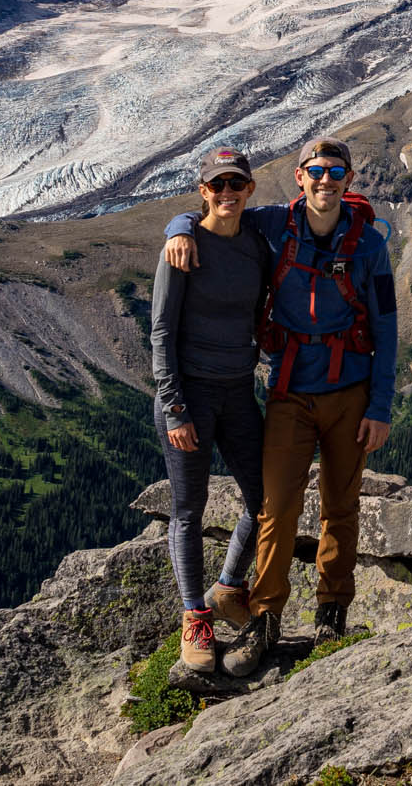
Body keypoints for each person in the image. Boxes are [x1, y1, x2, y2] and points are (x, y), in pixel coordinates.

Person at [164, 135, 397, 664]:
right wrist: (177, 226)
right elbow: (216, 208)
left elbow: (387, 323)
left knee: (341, 505)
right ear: (300, 177)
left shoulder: (368, 243)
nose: (325, 181)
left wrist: (380, 406)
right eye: (316, 171)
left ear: (349, 181)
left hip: (351, 391)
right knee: (277, 506)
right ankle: (265, 616)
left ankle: (331, 613)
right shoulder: (274, 223)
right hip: (289, 390)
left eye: (336, 173)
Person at [148, 146, 270, 675]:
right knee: (188, 509)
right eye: (216, 186)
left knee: (263, 498)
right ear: (203, 192)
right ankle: (195, 616)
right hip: (190, 395)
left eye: (235, 185)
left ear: (249, 190)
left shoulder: (257, 245)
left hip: (239, 390)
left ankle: (228, 587)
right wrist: (175, 409)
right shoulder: (183, 246)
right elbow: (161, 333)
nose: (226, 194)